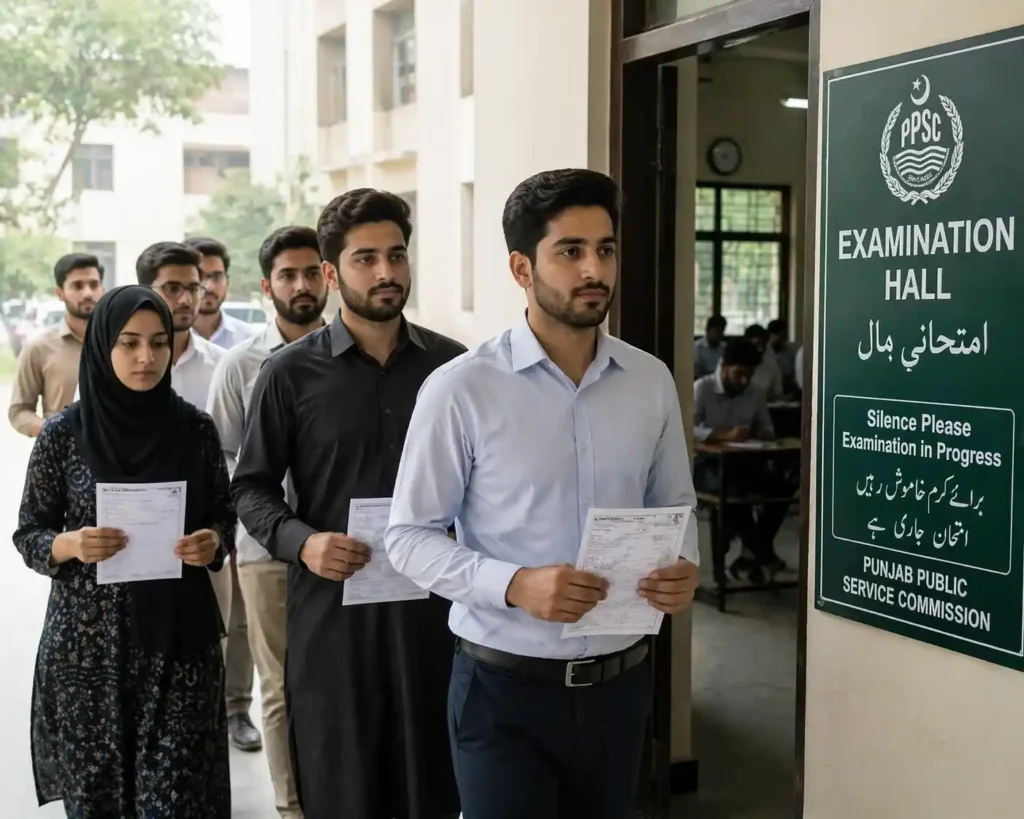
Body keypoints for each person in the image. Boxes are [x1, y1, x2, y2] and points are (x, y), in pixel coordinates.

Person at [384, 169, 700, 819]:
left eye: (605, 249)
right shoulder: (462, 389)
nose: (594, 270)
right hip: (503, 691)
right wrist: (514, 584)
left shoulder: (649, 381)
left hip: (621, 688)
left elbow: (674, 505)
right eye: (570, 251)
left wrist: (684, 565)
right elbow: (408, 538)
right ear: (522, 268)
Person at [231, 189, 465, 819]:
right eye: (366, 259)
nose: (386, 271)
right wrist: (303, 541)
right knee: (344, 783)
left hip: (434, 614)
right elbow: (249, 487)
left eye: (397, 255)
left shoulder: (453, 369)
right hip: (334, 615)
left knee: (432, 783)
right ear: (332, 274)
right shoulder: (288, 373)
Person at [13, 285, 235, 817]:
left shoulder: (195, 429)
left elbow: (223, 515)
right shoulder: (64, 434)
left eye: (159, 342)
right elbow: (29, 534)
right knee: (100, 800)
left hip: (178, 646)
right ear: (102, 346)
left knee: (176, 797)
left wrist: (212, 541)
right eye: (129, 342)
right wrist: (70, 543)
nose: (146, 357)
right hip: (89, 653)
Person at [207, 225, 329, 819]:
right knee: (279, 688)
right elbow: (224, 459)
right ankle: (290, 807)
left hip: (344, 549)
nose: (301, 285)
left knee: (338, 681)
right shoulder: (242, 365)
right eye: (287, 275)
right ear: (266, 286)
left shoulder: (349, 355)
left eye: (310, 272)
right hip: (266, 552)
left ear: (328, 276)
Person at [134, 241, 260, 752]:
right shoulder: (116, 366)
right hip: (137, 533)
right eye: (172, 288)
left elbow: (240, 450)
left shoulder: (223, 365)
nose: (187, 298)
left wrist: (226, 523)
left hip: (209, 526)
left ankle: (234, 710)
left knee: (230, 624)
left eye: (193, 287)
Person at [693, 338, 792, 581]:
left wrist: (763, 433)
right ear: (724, 366)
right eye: (739, 374)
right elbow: (686, 430)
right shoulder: (702, 389)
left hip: (745, 463)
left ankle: (749, 555)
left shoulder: (755, 392)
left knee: (783, 487)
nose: (744, 381)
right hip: (708, 467)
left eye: (749, 375)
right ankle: (763, 553)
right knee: (733, 490)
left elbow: (767, 428)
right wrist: (723, 434)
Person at [9, 253, 104, 436]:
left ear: (103, 288)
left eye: (94, 285)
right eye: (77, 286)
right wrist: (54, 433)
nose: (88, 293)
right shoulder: (39, 348)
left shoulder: (122, 342)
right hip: (61, 452)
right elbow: (19, 411)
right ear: (60, 293)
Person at [185, 236, 257, 348]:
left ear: (227, 281)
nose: (209, 287)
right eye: (199, 277)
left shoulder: (250, 341)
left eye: (217, 277)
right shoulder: (165, 341)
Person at [744, 323, 784, 399]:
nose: (760, 349)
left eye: (763, 345)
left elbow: (778, 393)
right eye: (756, 345)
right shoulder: (737, 366)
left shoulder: (772, 366)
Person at [767, 318, 797, 391]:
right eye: (775, 334)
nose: (778, 338)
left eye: (781, 335)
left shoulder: (790, 352)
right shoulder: (764, 352)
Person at [694, 314, 727, 379]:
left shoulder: (724, 347)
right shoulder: (697, 347)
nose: (720, 335)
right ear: (707, 330)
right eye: (717, 331)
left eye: (722, 331)